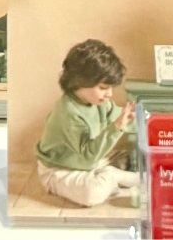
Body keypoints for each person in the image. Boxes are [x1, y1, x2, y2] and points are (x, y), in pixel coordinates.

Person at [34, 39, 138, 208]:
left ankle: (112, 175)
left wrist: (153, 120)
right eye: (103, 87)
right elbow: (89, 154)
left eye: (110, 88)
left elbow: (124, 117)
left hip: (88, 164)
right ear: (80, 82)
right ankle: (114, 176)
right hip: (60, 170)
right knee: (92, 194)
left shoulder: (99, 102)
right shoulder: (69, 114)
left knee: (128, 158)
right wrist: (117, 127)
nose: (110, 94)